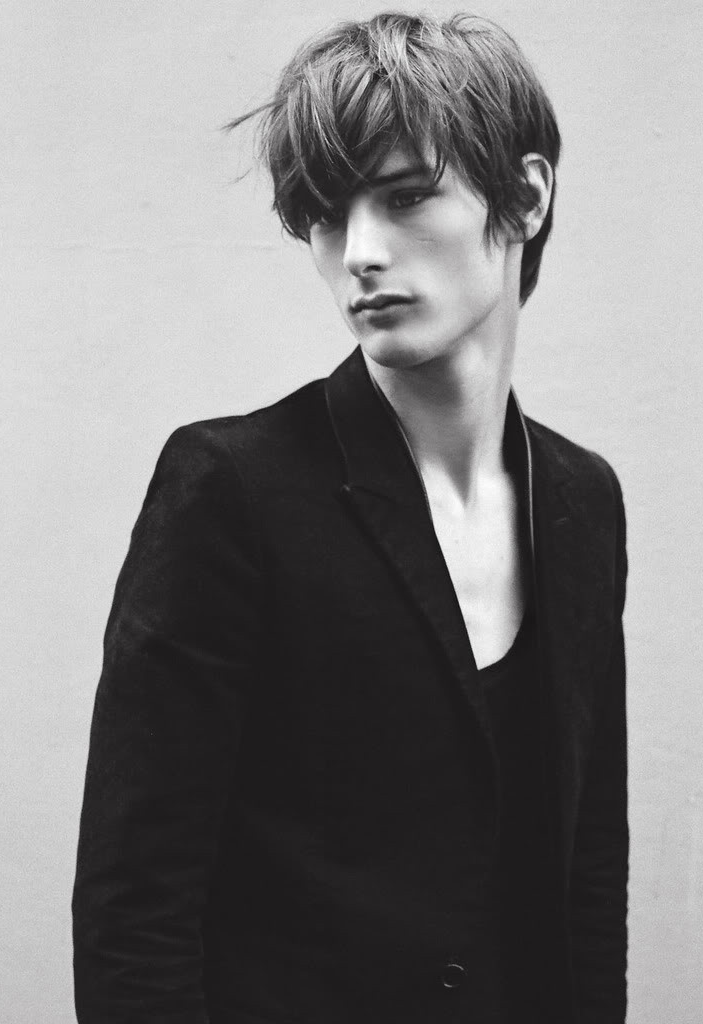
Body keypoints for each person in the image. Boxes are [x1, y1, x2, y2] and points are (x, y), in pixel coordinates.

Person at [72, 12, 628, 1024]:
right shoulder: (232, 490)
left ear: (526, 196)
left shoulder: (582, 502)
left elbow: (587, 870)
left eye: (407, 195)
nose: (361, 251)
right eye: (328, 216)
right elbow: (134, 910)